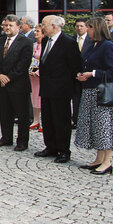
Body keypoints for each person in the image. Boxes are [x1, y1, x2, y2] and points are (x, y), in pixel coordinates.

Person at [74, 17, 113, 175]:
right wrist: (82, 74)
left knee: (104, 127)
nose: (87, 30)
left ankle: (107, 162)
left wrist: (92, 73)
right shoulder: (93, 45)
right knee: (95, 127)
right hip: (89, 91)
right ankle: (99, 158)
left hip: (102, 93)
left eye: (90, 27)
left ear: (98, 29)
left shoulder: (108, 46)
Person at [36, 15, 83, 163]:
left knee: (61, 120)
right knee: (48, 119)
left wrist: (69, 87)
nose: (42, 27)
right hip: (46, 87)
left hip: (61, 89)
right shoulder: (45, 40)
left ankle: (63, 150)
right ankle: (50, 146)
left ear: (54, 26)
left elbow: (75, 66)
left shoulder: (68, 42)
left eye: (44, 25)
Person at [0, 14, 33, 151]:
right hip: (2, 83)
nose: (7, 28)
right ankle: (6, 138)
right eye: (6, 25)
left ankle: (22, 141)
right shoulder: (1, 40)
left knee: (22, 115)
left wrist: (8, 77)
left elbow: (23, 64)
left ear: (18, 27)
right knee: (5, 113)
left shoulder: (25, 42)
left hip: (18, 84)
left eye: (11, 25)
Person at [71, 19, 93, 129]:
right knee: (75, 99)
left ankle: (87, 122)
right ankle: (76, 120)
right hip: (75, 75)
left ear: (86, 27)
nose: (79, 28)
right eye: (77, 26)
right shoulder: (71, 40)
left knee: (86, 100)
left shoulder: (91, 40)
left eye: (81, 26)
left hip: (88, 76)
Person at [28, 24, 44, 131]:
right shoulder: (33, 45)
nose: (35, 33)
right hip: (32, 75)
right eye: (35, 31)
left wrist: (38, 72)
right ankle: (35, 120)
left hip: (41, 76)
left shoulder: (45, 45)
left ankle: (43, 122)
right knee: (33, 97)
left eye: (38, 31)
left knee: (41, 98)